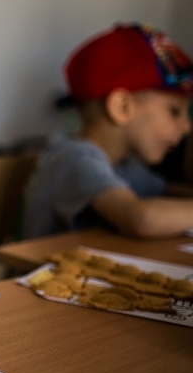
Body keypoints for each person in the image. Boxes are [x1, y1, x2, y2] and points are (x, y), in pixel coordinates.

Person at [23, 22, 193, 239]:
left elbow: (165, 192)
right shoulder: (74, 158)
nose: (187, 126)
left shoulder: (124, 165)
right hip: (41, 263)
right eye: (175, 112)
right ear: (121, 107)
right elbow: (142, 219)